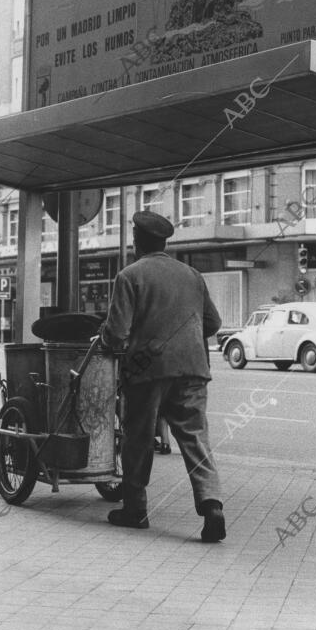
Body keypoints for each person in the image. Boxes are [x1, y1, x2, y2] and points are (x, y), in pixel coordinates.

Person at [100, 210, 225, 542]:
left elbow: (116, 332)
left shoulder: (130, 275)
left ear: (137, 240)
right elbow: (213, 323)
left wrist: (109, 341)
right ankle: (212, 504)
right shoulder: (192, 275)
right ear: (164, 242)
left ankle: (135, 510)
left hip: (148, 370)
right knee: (195, 438)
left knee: (137, 439)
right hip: (194, 368)